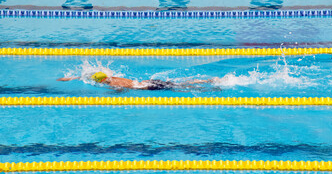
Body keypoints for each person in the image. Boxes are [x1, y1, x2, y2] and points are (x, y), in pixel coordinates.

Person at [57, 72, 220, 91]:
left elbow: (121, 91)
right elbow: (84, 76)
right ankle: (207, 80)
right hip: (146, 81)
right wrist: (71, 78)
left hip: (147, 86)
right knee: (178, 83)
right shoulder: (112, 77)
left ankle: (209, 82)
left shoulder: (112, 84)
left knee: (180, 86)